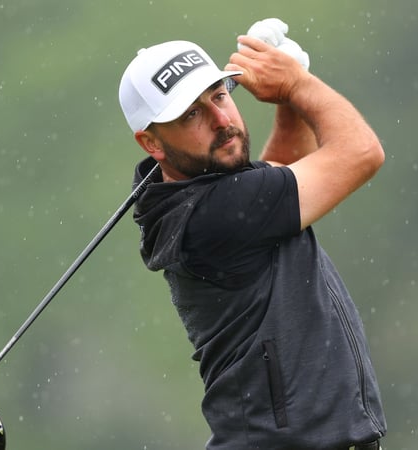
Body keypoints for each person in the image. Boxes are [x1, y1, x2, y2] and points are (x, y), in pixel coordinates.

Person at [117, 25, 387, 450]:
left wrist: (289, 104)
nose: (221, 121)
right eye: (191, 114)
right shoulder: (213, 214)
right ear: (151, 141)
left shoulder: (197, 200)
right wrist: (298, 84)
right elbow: (362, 152)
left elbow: (278, 178)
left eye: (220, 96)